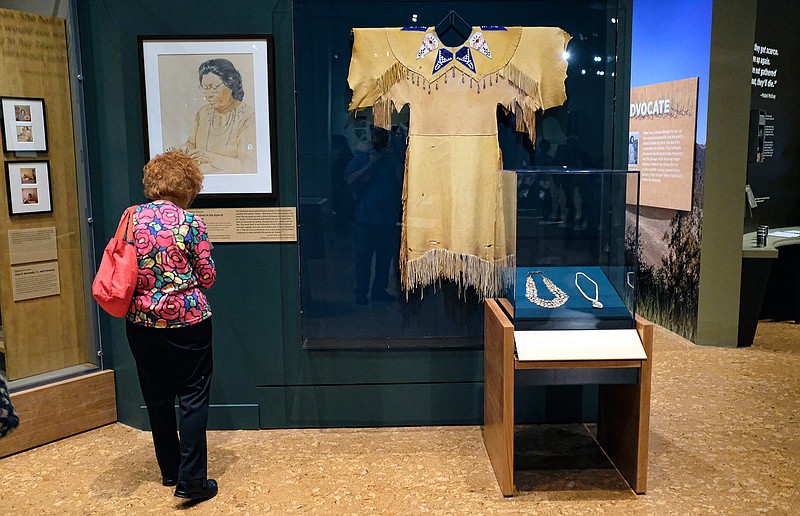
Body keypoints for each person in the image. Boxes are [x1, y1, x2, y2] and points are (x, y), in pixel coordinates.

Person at [125, 152, 218, 501]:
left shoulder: (130, 218)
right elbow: (207, 277)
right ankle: (192, 480)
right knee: (193, 396)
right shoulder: (191, 224)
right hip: (187, 321)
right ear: (188, 186)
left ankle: (169, 471)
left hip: (141, 319)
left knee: (157, 397)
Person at [345, 126, 403, 304]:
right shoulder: (362, 159)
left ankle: (379, 290)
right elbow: (350, 180)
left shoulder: (391, 160)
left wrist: (394, 156)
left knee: (385, 257)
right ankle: (361, 292)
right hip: (366, 216)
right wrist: (370, 166)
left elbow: (402, 181)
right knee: (364, 256)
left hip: (387, 217)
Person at [175, 58, 256, 175]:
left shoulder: (248, 117)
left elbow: (249, 167)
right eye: (204, 88)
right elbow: (192, 146)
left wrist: (208, 157)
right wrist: (183, 150)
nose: (208, 95)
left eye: (213, 87)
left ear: (230, 83)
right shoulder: (202, 114)